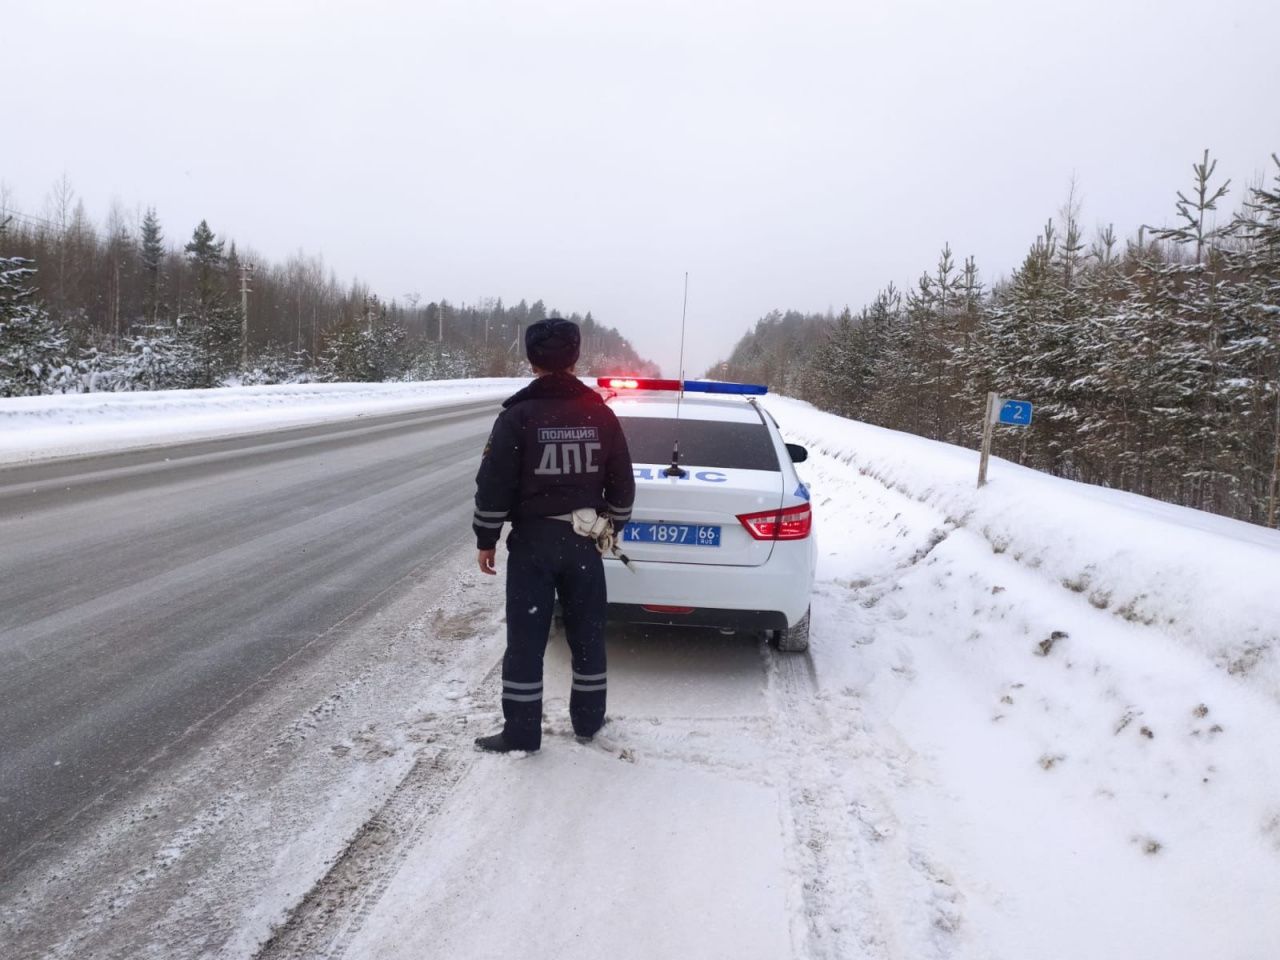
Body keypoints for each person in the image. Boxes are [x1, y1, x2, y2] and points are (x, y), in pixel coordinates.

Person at [472, 317, 635, 753]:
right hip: (583, 544)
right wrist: (613, 524)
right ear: (575, 356)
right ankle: (588, 722)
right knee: (587, 634)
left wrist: (486, 537)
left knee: (526, 641)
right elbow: (622, 480)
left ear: (531, 360)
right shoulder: (599, 413)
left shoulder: (518, 416)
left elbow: (494, 484)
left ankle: (522, 731)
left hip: (533, 547)